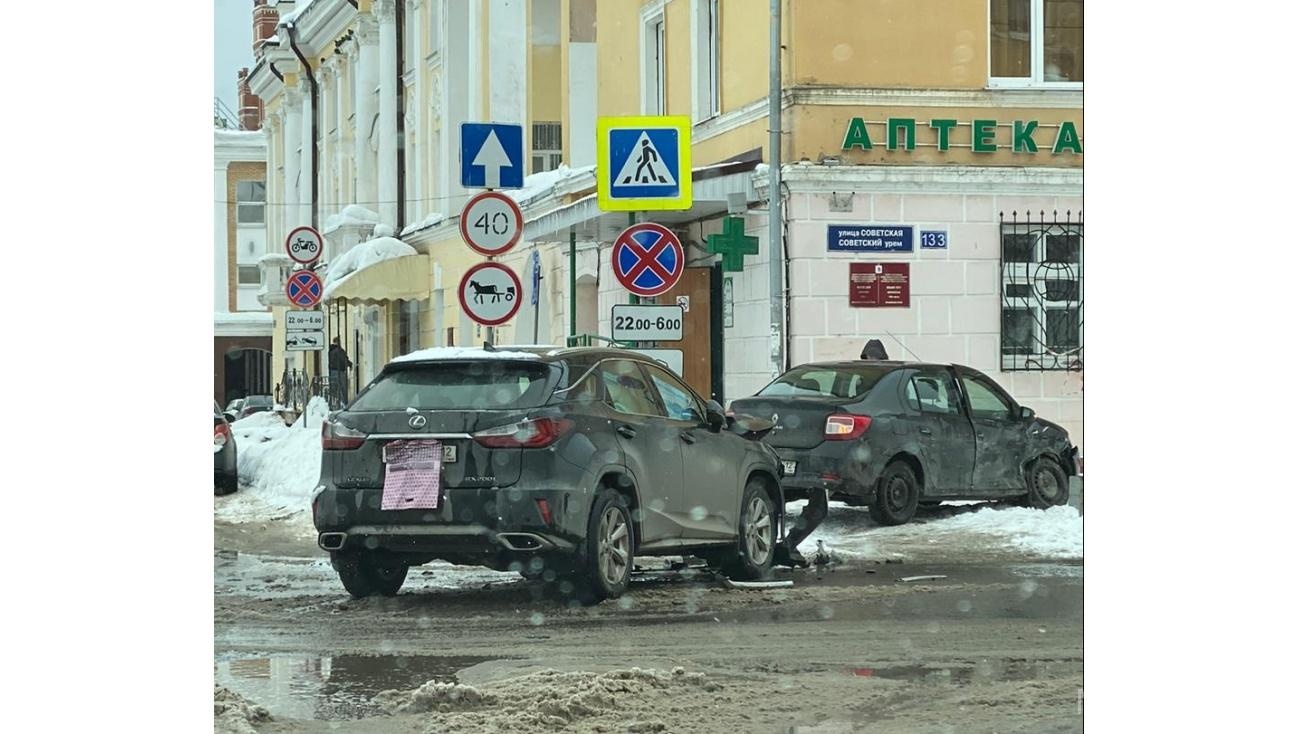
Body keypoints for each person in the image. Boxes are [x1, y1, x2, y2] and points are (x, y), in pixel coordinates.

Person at [776, 339, 891, 568]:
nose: (871, 362)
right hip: (828, 454)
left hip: (802, 455)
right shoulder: (877, 386)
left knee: (800, 504)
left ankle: (781, 546)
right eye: (870, 358)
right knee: (815, 506)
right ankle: (784, 546)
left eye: (874, 358)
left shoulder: (799, 404)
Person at [328, 337, 353, 407]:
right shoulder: (339, 350)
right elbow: (343, 359)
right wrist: (349, 364)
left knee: (334, 388)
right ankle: (344, 404)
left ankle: (334, 403)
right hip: (340, 371)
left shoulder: (330, 350)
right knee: (342, 388)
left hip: (332, 371)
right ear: (338, 342)